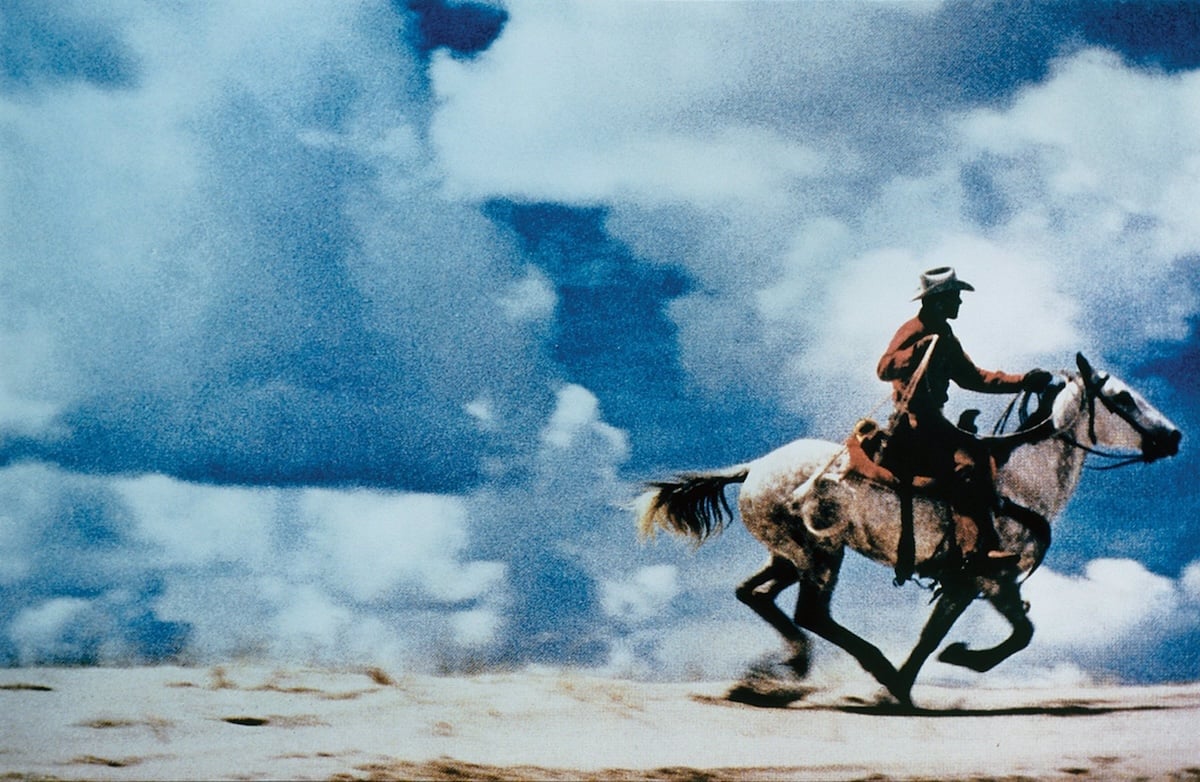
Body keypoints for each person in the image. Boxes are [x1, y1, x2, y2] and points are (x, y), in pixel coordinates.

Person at [876, 267, 1051, 566]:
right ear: (938, 301)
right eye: (955, 297)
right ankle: (974, 551)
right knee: (969, 464)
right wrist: (915, 351)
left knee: (981, 455)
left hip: (933, 422)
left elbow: (972, 377)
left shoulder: (944, 334)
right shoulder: (914, 330)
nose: (959, 303)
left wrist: (1023, 380)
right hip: (915, 423)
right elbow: (884, 369)